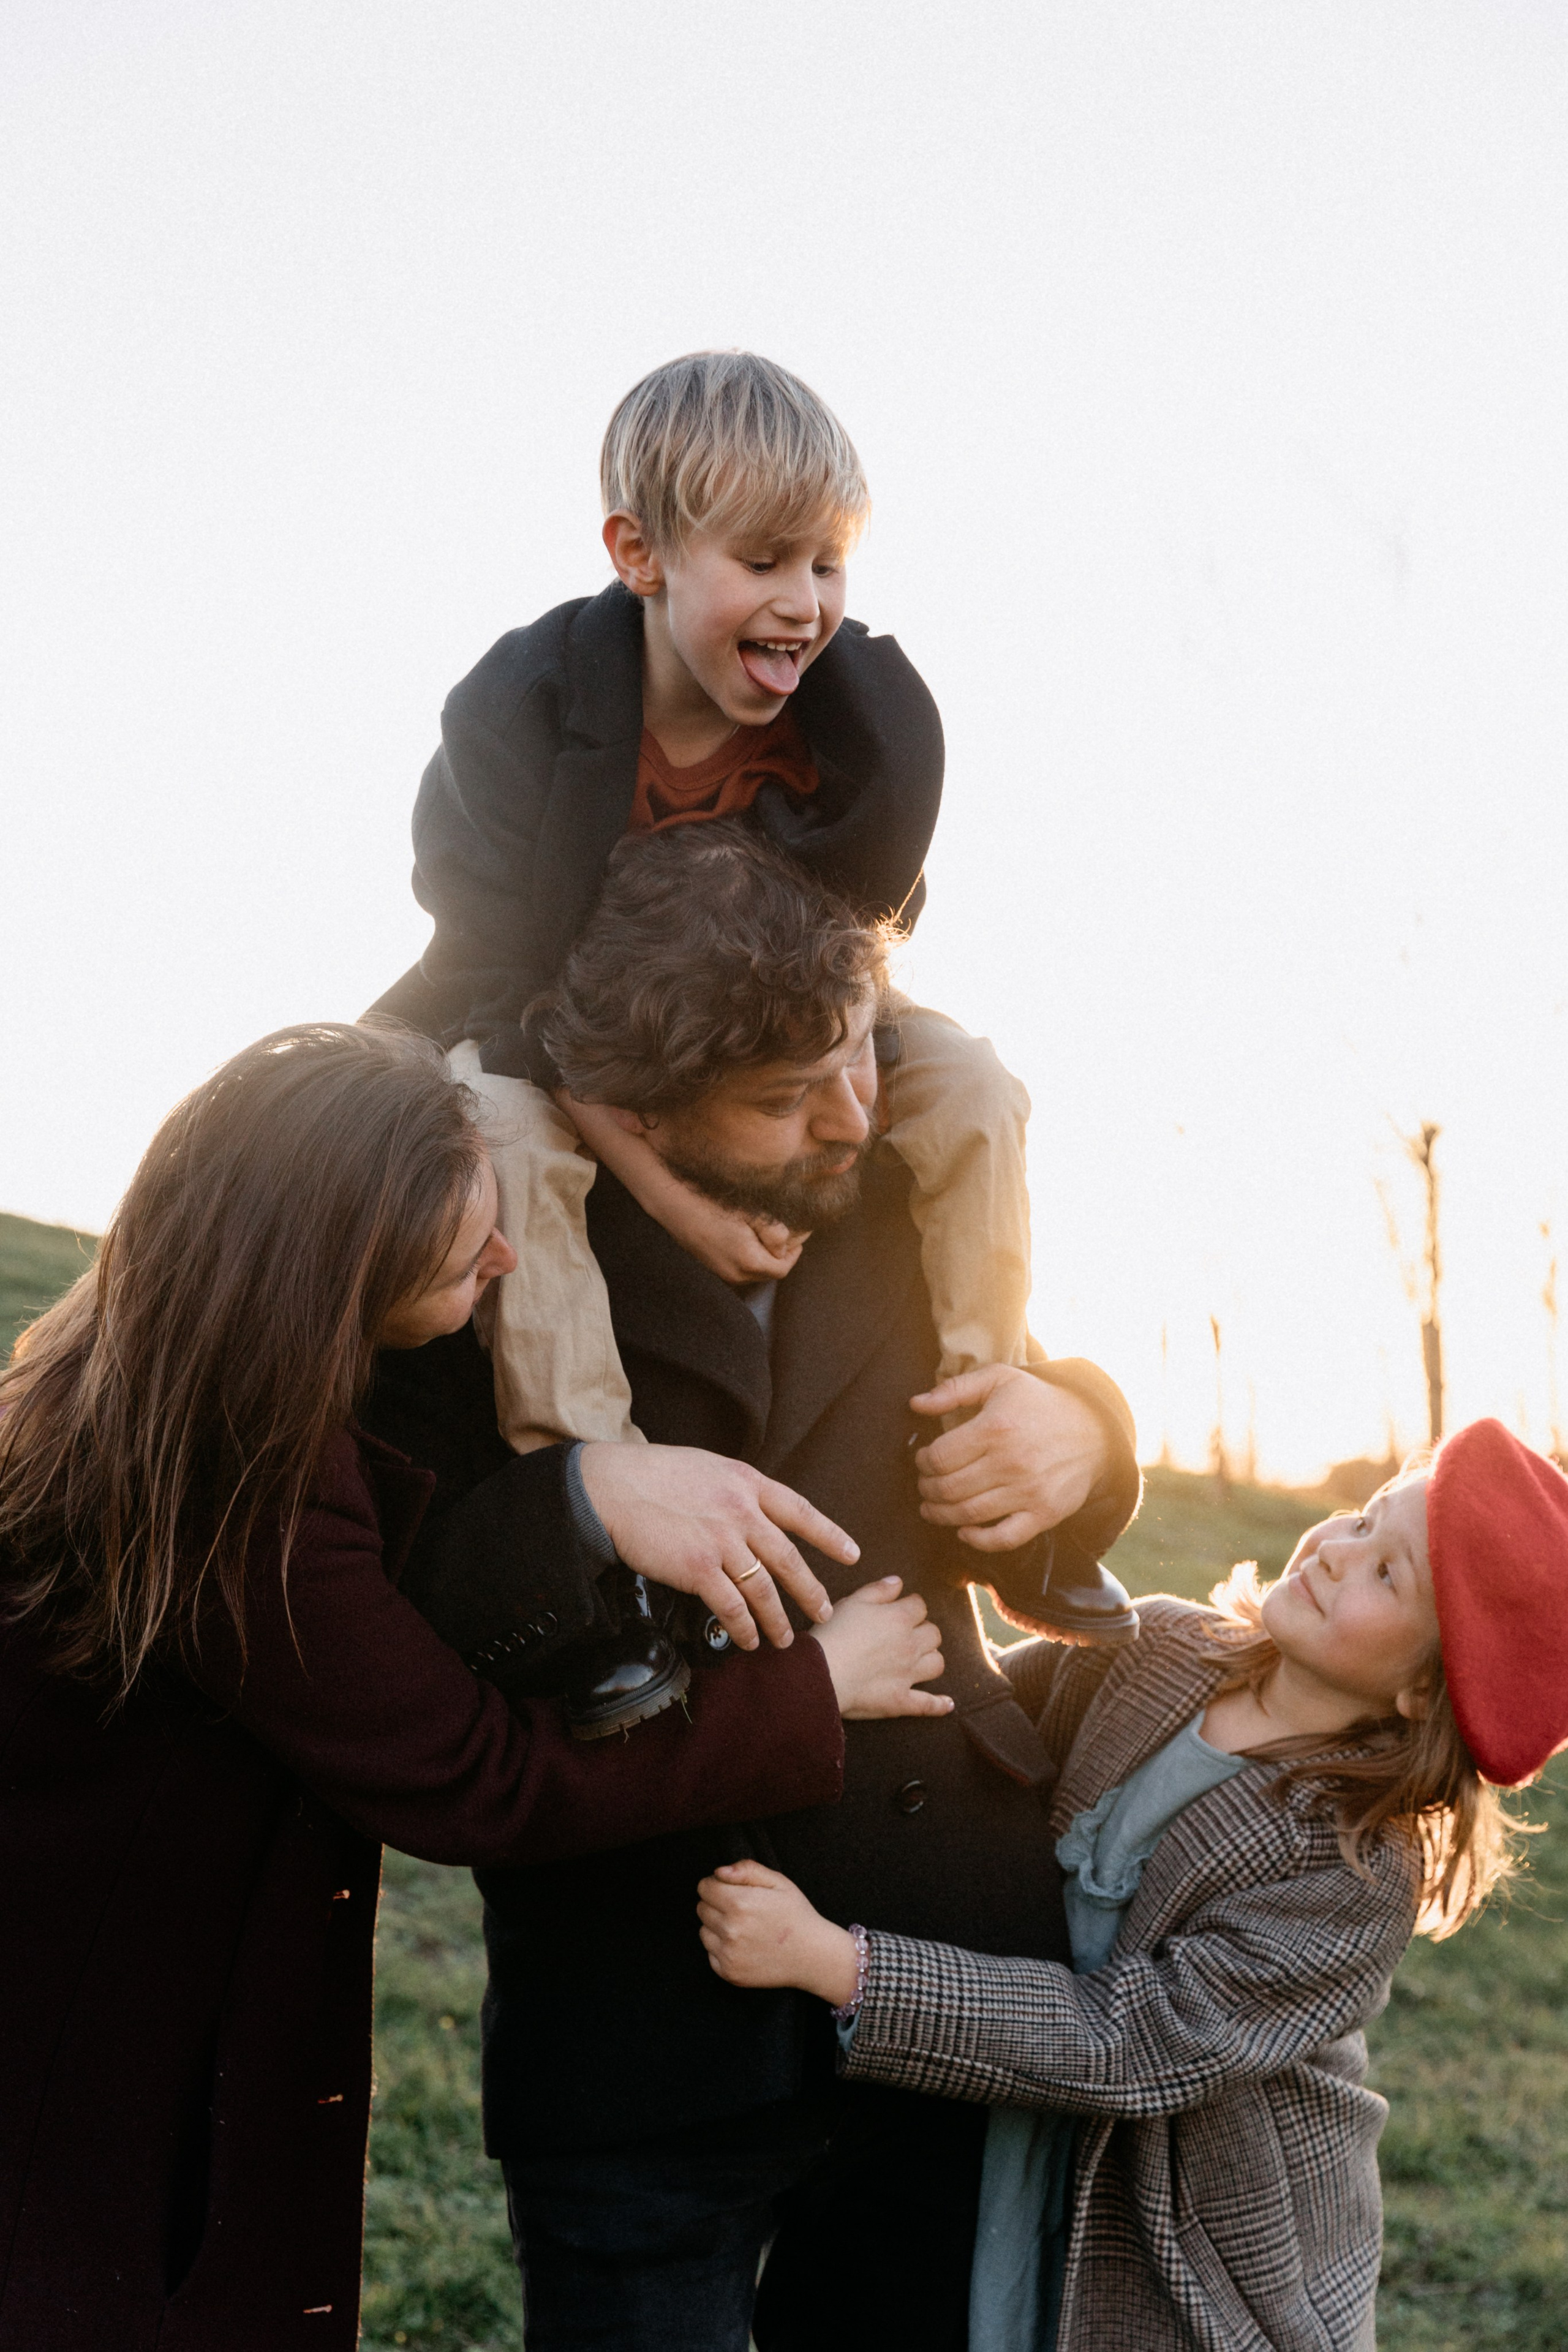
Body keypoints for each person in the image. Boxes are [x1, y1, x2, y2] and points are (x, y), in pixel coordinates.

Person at [0, 1022, 949, 2352]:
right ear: (330, 1270)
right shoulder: (247, 1492)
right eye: (466, 1254)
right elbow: (476, 1779)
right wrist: (811, 1687)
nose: (508, 1259)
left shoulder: (128, 1388)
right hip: (106, 2051)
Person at [371, 825, 1144, 2350]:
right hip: (637, 1995)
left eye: (855, 1059)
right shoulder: (484, 1240)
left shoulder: (904, 1180)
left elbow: (1010, 1454)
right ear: (637, 1107)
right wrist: (584, 1500)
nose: (850, 1115)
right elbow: (417, 1591)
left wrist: (1082, 1436)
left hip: (940, 1962)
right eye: (787, 1101)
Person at [371, 347, 1136, 1656]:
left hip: (791, 1005)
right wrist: (663, 1185)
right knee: (499, 1131)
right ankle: (604, 1514)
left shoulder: (873, 729)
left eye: (828, 565)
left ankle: (984, 1442)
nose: (804, 603)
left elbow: (851, 966)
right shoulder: (516, 716)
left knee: (968, 1083)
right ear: (640, 553)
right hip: (538, 1018)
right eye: (765, 560)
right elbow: (498, 973)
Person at [698, 1419, 1568, 2351]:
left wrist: (842, 1966)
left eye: (1387, 1573)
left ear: (1425, 1693)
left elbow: (1132, 2042)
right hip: (1006, 2115)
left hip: (1193, 2225)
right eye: (1361, 1519)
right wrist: (838, 1680)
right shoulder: (1159, 1647)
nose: (1336, 1551)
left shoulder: (1352, 1868)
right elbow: (973, 1730)